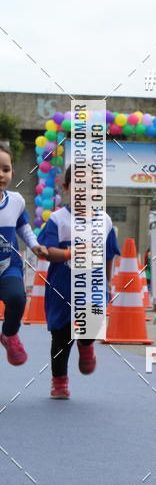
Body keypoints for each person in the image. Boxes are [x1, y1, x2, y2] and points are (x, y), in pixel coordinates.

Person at [37, 165, 120, 398]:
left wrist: (108, 282)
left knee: (91, 321)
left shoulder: (104, 221)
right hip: (62, 288)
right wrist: (69, 253)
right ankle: (59, 381)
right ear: (66, 188)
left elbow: (109, 254)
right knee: (62, 337)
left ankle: (86, 345)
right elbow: (45, 250)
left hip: (93, 286)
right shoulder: (58, 219)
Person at [0, 144, 48, 364]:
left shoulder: (16, 200)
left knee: (18, 298)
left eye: (6, 169)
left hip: (8, 265)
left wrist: (34, 244)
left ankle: (9, 335)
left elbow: (23, 227)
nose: (1, 174)